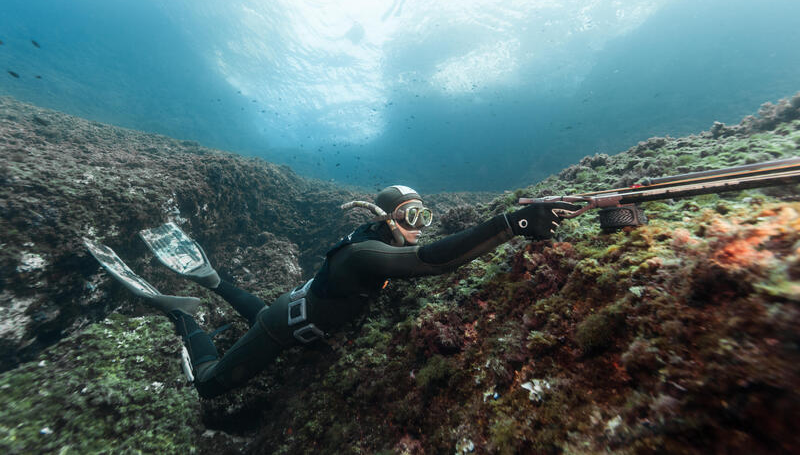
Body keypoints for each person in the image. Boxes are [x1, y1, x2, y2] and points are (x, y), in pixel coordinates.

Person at [86, 185, 576, 398]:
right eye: (411, 218)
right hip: (285, 328)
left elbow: (420, 253)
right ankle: (184, 314)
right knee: (211, 386)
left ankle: (213, 280)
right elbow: (434, 261)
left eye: (425, 216)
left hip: (295, 307)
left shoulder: (372, 240)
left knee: (259, 311)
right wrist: (511, 223)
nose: (421, 227)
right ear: (387, 219)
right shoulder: (368, 253)